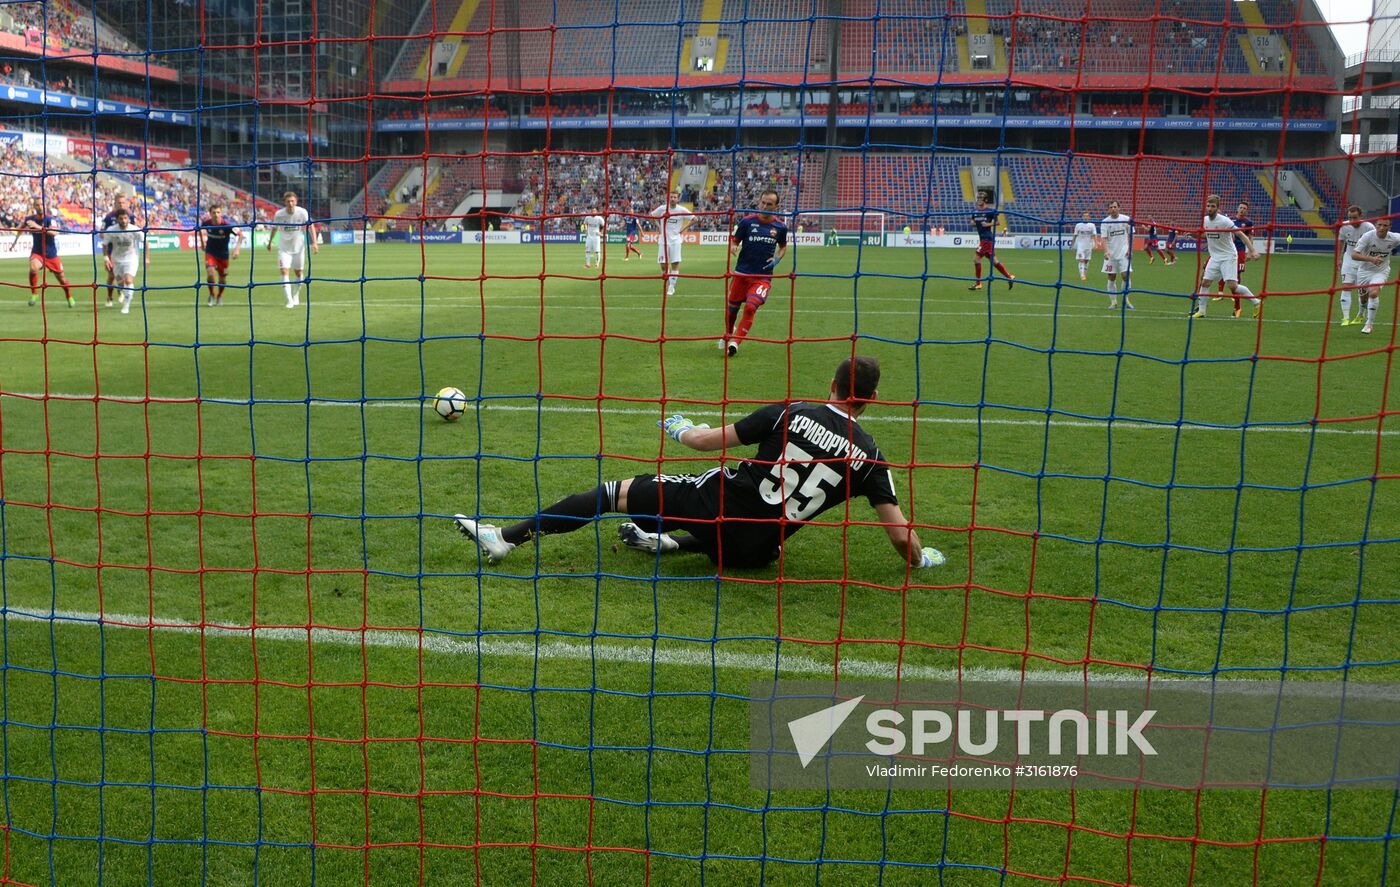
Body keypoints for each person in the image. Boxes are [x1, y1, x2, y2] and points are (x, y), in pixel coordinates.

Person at [453, 355, 946, 572]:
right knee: (746, 532)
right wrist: (922, 559)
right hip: (757, 553)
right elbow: (901, 536)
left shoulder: (789, 412)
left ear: (832, 387)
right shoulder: (873, 459)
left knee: (615, 493)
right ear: (873, 399)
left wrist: (677, 426)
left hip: (717, 507)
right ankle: (661, 541)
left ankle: (505, 539)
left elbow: (704, 442)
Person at [721, 189, 788, 357]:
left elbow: (783, 246)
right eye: (763, 202)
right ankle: (729, 333)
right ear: (759, 201)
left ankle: (735, 342)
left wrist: (777, 259)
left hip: (763, 277)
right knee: (731, 312)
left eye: (769, 204)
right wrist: (734, 247)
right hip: (741, 274)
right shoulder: (747, 222)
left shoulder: (780, 227)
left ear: (776, 206)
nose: (764, 206)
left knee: (751, 307)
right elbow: (734, 241)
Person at [1189, 195, 1260, 319]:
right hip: (1215, 257)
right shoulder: (1205, 220)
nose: (1210, 208)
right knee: (1205, 282)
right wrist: (1194, 235)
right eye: (1208, 206)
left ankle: (1257, 303)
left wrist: (1252, 250)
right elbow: (1207, 235)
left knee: (1233, 286)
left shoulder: (1225, 221)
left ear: (1217, 208)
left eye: (1213, 206)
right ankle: (1202, 311)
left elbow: (1242, 235)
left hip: (1229, 256)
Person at [10, 199, 75, 308]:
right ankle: (34, 294)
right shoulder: (29, 219)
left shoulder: (49, 219)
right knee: (33, 268)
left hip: (51, 255)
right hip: (37, 253)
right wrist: (14, 243)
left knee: (62, 279)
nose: (40, 207)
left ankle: (69, 296)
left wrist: (37, 226)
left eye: (41, 204)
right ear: (34, 207)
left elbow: (55, 232)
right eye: (37, 205)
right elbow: (20, 230)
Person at [266, 190, 318, 308]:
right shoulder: (279, 214)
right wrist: (270, 242)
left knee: (299, 273)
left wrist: (314, 242)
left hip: (299, 248)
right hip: (284, 248)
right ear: (284, 202)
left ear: (296, 201)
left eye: (292, 201)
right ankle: (289, 300)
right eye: (288, 201)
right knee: (284, 271)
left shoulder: (302, 212)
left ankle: (296, 295)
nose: (290, 203)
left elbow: (311, 226)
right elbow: (274, 229)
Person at [1351, 216, 1399, 335]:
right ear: (1376, 225)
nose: (1381, 228)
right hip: (1364, 271)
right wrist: (1371, 259)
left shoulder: (1394, 238)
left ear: (1389, 227)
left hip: (1380, 271)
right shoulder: (1367, 236)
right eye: (1379, 225)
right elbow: (1354, 255)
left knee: (1373, 293)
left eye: (1385, 225)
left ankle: (1369, 324)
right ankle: (1361, 312)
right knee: (1363, 297)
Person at [1335, 204, 1375, 326]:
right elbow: (1341, 242)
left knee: (1362, 292)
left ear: (1361, 216)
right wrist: (1339, 259)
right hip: (1349, 259)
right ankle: (1345, 318)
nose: (1352, 221)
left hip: (1363, 261)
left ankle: (1361, 314)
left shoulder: (1369, 228)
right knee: (1346, 286)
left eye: (1355, 217)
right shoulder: (1344, 227)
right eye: (1350, 217)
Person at [100, 208, 145, 315]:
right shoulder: (111, 230)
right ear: (117, 219)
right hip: (117, 260)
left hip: (131, 258)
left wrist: (147, 258)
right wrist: (106, 258)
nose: (124, 220)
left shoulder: (135, 229)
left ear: (128, 219)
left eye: (125, 218)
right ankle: (123, 293)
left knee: (128, 280)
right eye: (121, 218)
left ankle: (126, 305)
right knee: (120, 284)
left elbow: (146, 242)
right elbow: (105, 244)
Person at [649, 189, 693, 296]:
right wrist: (659, 227)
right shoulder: (662, 208)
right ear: (668, 198)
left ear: (678, 199)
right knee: (663, 265)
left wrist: (683, 229)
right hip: (663, 240)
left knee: (675, 264)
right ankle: (668, 282)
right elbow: (651, 216)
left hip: (675, 241)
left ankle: (671, 287)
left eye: (674, 197)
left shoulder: (682, 210)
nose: (672, 199)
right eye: (671, 197)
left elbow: (694, 219)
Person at [1214, 200, 1253, 317]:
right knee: (1222, 271)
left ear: (1247, 210)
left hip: (1240, 251)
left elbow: (1250, 236)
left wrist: (1250, 251)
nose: (1242, 210)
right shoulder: (1230, 220)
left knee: (1236, 274)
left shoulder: (1248, 222)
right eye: (1241, 207)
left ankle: (1236, 297)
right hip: (1227, 251)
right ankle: (1221, 293)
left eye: (1244, 208)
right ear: (1237, 208)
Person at [968, 192, 1014, 291]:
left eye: (981, 198)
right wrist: (974, 223)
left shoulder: (990, 211)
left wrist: (988, 224)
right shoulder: (975, 211)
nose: (979, 199)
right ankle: (1009, 276)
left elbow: (997, 222)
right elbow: (972, 222)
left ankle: (978, 283)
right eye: (978, 198)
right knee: (994, 261)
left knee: (976, 259)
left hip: (987, 239)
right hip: (983, 238)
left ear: (985, 200)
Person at [199, 203, 243, 307]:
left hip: (223, 255)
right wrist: (202, 242)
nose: (216, 214)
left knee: (222, 278)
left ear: (221, 213)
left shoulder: (227, 225)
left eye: (218, 212)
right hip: (210, 252)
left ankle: (219, 296)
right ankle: (211, 294)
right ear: (210, 214)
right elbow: (199, 230)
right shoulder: (206, 223)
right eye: (213, 212)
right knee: (210, 272)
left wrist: (237, 249)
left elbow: (240, 234)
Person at [1099, 201, 1134, 310]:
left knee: (1125, 276)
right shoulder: (1105, 222)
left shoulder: (1126, 219)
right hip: (1111, 253)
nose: (1113, 209)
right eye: (1111, 207)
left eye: (1115, 207)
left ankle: (1125, 299)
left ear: (1119, 208)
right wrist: (1106, 251)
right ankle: (1113, 302)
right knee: (1111, 277)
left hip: (1124, 252)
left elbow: (1131, 235)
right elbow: (1104, 238)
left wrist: (1129, 249)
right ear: (1108, 210)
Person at [100, 195, 131, 308]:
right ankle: (109, 297)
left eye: (123, 202)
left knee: (123, 274)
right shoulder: (109, 217)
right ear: (115, 203)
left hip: (125, 251)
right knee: (111, 274)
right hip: (111, 250)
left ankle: (120, 290)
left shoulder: (130, 215)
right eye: (119, 202)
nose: (121, 204)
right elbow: (101, 233)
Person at [1072, 211, 1097, 281]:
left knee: (1086, 261)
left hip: (1089, 245)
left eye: (1087, 216)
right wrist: (1072, 245)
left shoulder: (1092, 225)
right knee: (1081, 260)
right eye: (1084, 216)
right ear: (1082, 217)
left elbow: (1094, 235)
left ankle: (1084, 273)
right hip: (1080, 246)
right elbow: (1075, 235)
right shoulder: (1078, 225)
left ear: (1089, 217)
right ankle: (1082, 275)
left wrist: (1096, 244)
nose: (1085, 217)